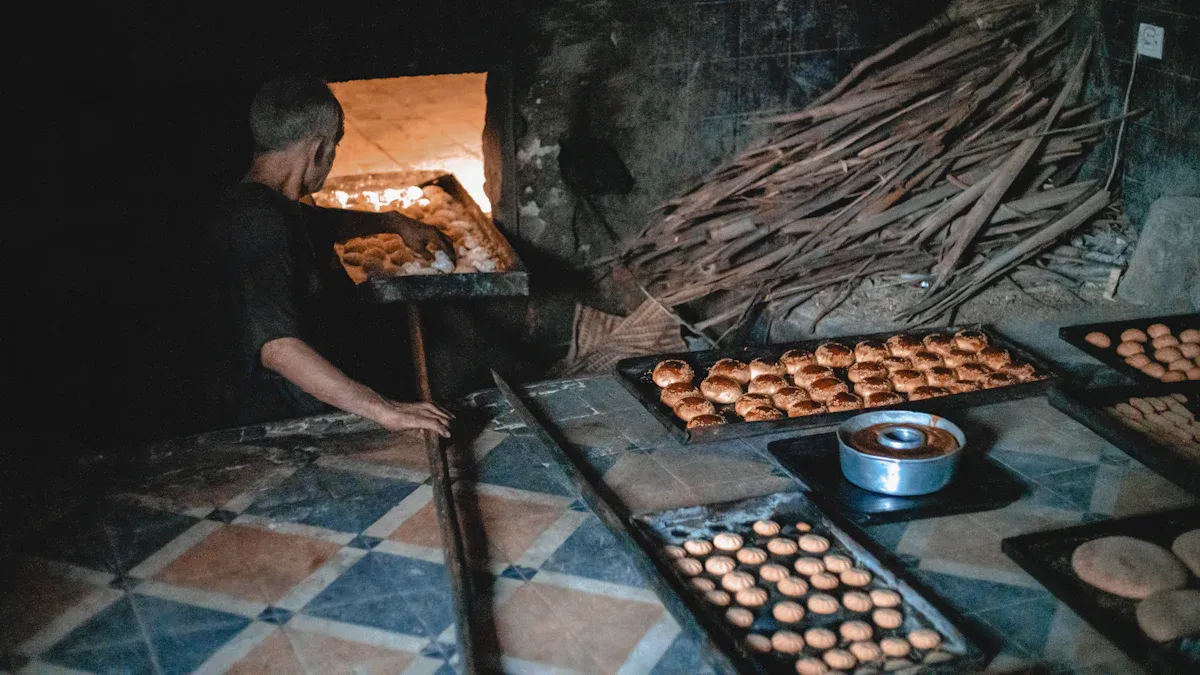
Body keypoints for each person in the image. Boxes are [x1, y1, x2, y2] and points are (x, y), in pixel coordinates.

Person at [203, 74, 452, 436]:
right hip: (274, 422)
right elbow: (278, 348)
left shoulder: (266, 204)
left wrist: (392, 221)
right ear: (319, 149)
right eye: (336, 146)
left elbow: (322, 223)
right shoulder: (256, 224)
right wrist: (382, 409)